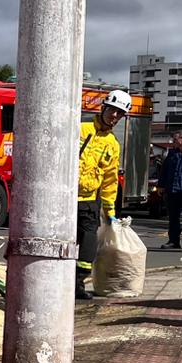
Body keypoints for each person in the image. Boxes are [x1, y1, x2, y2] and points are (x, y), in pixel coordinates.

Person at [75, 89, 130, 300]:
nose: (114, 116)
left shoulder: (113, 145)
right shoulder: (81, 129)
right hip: (67, 199)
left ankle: (78, 282)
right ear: (104, 107)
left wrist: (110, 211)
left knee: (89, 242)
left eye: (120, 114)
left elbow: (109, 180)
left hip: (89, 200)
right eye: (113, 111)